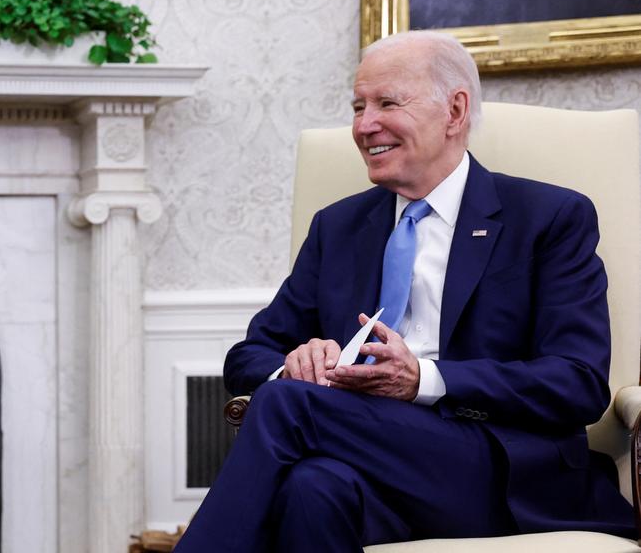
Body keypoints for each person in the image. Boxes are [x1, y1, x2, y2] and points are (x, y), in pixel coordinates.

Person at [174, 31, 636, 552]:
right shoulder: (339, 227)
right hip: (373, 464)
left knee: (288, 408)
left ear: (455, 111)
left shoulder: (547, 217)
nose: (364, 125)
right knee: (313, 487)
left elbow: (577, 382)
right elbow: (249, 355)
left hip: (497, 469)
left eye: (387, 103)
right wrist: (296, 364)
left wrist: (424, 379)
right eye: (358, 107)